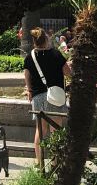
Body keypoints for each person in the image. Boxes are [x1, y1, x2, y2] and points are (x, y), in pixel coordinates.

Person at [23, 27, 68, 164]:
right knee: (56, 130)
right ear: (47, 39)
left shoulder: (30, 57)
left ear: (34, 41)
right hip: (55, 96)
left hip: (38, 97)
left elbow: (27, 76)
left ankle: (40, 163)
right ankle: (55, 163)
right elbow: (68, 72)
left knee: (40, 130)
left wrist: (30, 90)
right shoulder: (56, 54)